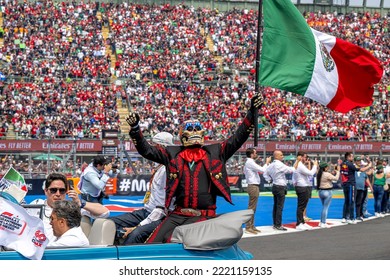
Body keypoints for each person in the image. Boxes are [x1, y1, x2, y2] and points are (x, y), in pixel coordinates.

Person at [126, 93, 264, 243]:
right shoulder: (172, 153)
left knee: (173, 240)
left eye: (197, 128)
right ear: (182, 135)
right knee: (153, 242)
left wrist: (252, 112)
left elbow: (238, 137)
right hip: (178, 213)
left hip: (203, 214)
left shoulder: (216, 152)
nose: (193, 131)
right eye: (190, 129)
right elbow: (147, 150)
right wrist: (135, 129)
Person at [109, 132, 175, 244]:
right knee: (110, 223)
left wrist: (139, 226)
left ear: (160, 147)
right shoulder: (160, 168)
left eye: (152, 145)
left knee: (135, 235)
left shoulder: (166, 171)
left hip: (160, 216)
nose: (150, 148)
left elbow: (161, 210)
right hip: (147, 211)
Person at [30, 173, 109, 242]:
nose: (58, 194)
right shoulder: (36, 204)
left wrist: (80, 203)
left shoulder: (70, 208)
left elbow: (104, 212)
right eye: (53, 190)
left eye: (62, 190)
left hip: (62, 249)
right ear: (46, 191)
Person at [263, 150, 297, 231]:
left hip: (275, 185)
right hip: (280, 186)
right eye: (281, 155)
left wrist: (269, 180)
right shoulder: (279, 164)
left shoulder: (271, 165)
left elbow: (265, 173)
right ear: (276, 156)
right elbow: (291, 170)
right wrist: (297, 162)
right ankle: (278, 224)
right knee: (279, 207)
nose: (283, 156)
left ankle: (275, 223)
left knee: (275, 206)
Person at [243, 148, 271, 234]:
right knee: (252, 207)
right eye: (255, 153)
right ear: (251, 154)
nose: (256, 154)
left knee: (253, 207)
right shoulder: (250, 162)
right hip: (253, 186)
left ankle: (251, 226)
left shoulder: (249, 162)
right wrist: (266, 163)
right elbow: (262, 170)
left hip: (253, 185)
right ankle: (248, 226)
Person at [340, 152, 371, 224]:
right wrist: (369, 165)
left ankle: (344, 217)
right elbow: (361, 170)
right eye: (351, 156)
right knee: (352, 201)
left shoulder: (342, 164)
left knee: (346, 201)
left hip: (345, 184)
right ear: (348, 157)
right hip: (351, 184)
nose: (353, 158)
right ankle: (351, 218)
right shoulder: (350, 164)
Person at [293, 152, 318, 231]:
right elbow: (310, 173)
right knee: (301, 206)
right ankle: (299, 223)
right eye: (304, 157)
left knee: (303, 206)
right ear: (300, 157)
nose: (306, 159)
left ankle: (302, 222)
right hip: (302, 186)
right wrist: (315, 165)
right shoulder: (299, 165)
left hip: (302, 186)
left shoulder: (299, 164)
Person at [317, 161, 341, 228]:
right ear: (324, 168)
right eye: (327, 167)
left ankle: (321, 221)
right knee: (325, 208)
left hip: (321, 191)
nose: (328, 167)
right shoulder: (326, 174)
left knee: (324, 207)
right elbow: (336, 178)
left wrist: (332, 173)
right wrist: (338, 171)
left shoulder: (319, 173)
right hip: (327, 191)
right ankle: (323, 222)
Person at [354, 157, 373, 221]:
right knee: (355, 202)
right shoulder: (354, 168)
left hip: (362, 187)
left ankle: (360, 214)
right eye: (357, 161)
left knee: (361, 201)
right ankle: (354, 215)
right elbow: (361, 169)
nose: (359, 162)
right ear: (355, 162)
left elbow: (366, 178)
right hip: (355, 187)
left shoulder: (363, 170)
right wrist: (369, 165)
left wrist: (370, 186)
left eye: (360, 161)